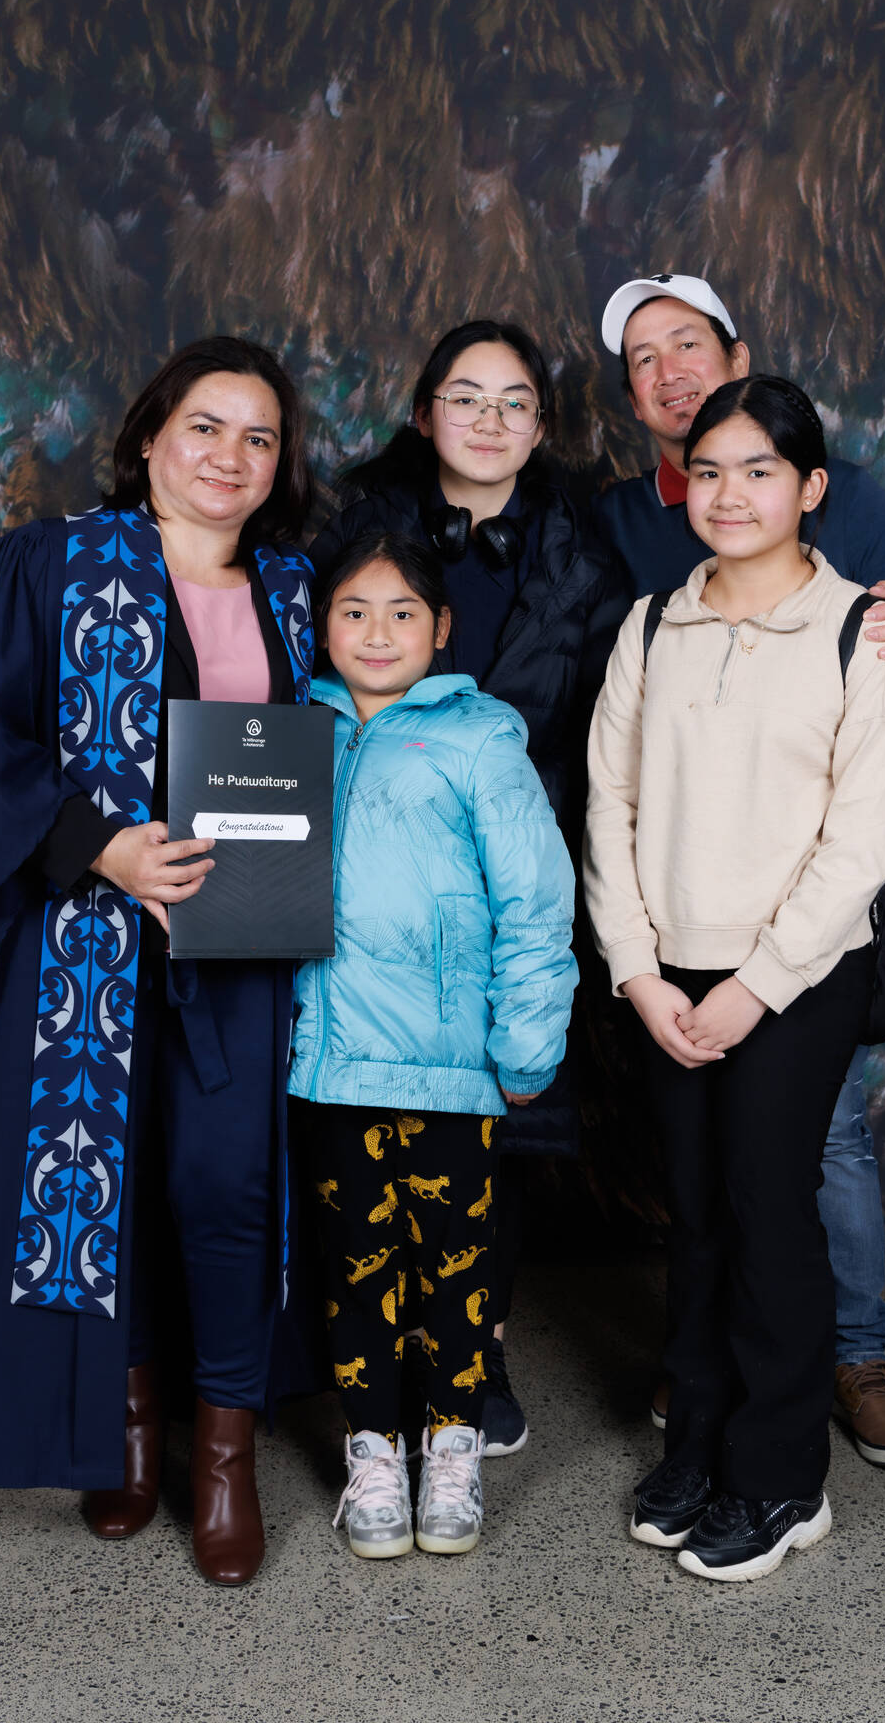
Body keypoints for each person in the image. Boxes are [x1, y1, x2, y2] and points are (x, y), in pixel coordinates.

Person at [0, 335, 316, 1586]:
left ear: (282, 465)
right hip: (81, 948)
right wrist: (102, 848)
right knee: (99, 1187)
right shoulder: (56, 565)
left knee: (226, 1189)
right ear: (150, 437)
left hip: (243, 948)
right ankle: (121, 1432)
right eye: (206, 426)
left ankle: (223, 1455)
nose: (230, 456)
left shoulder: (295, 589)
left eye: (260, 437)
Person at [593, 273, 885, 1466]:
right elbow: (616, 761)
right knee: (709, 1181)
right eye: (642, 358)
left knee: (813, 1148)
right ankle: (717, 1380)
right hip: (678, 904)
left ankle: (844, 1360)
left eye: (686, 343)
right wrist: (637, 958)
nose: (668, 370)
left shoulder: (840, 500)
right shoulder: (626, 534)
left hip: (809, 912)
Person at [309, 321, 624, 1457]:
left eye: (513, 402)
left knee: (491, 1141)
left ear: (541, 425)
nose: (488, 421)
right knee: (358, 1155)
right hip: (374, 894)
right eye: (464, 397)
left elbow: (611, 722)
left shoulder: (584, 554)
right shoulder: (354, 532)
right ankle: (369, 1375)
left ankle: (470, 1358)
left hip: (514, 866)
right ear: (423, 411)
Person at [290, 531, 577, 1558]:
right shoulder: (289, 735)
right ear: (322, 625)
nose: (377, 633)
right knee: (355, 1268)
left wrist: (527, 1045)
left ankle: (451, 1448)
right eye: (353, 611)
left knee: (456, 1272)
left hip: (452, 1069)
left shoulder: (478, 741)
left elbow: (535, 900)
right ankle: (372, 1449)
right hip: (332, 1064)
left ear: (441, 626)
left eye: (403, 612)